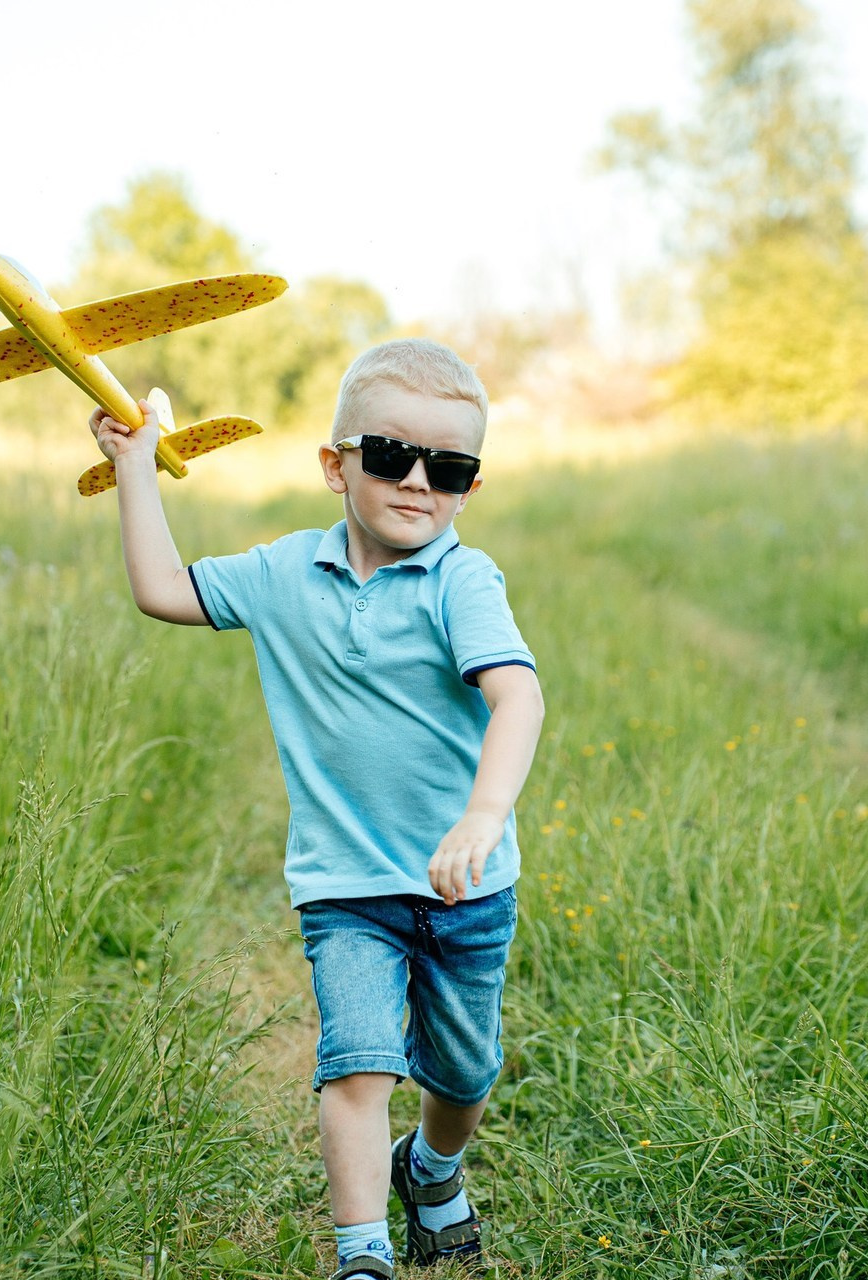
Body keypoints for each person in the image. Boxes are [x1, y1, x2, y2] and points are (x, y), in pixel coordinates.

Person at [89, 339, 544, 1280]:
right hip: (346, 885)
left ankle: (433, 1168)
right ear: (336, 466)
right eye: (391, 456)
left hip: (464, 886)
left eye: (449, 469)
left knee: (461, 1076)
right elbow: (162, 591)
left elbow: (519, 698)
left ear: (469, 485)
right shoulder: (284, 573)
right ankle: (362, 1255)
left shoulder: (463, 581)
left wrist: (482, 817)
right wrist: (137, 465)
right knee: (358, 1066)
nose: (419, 482)